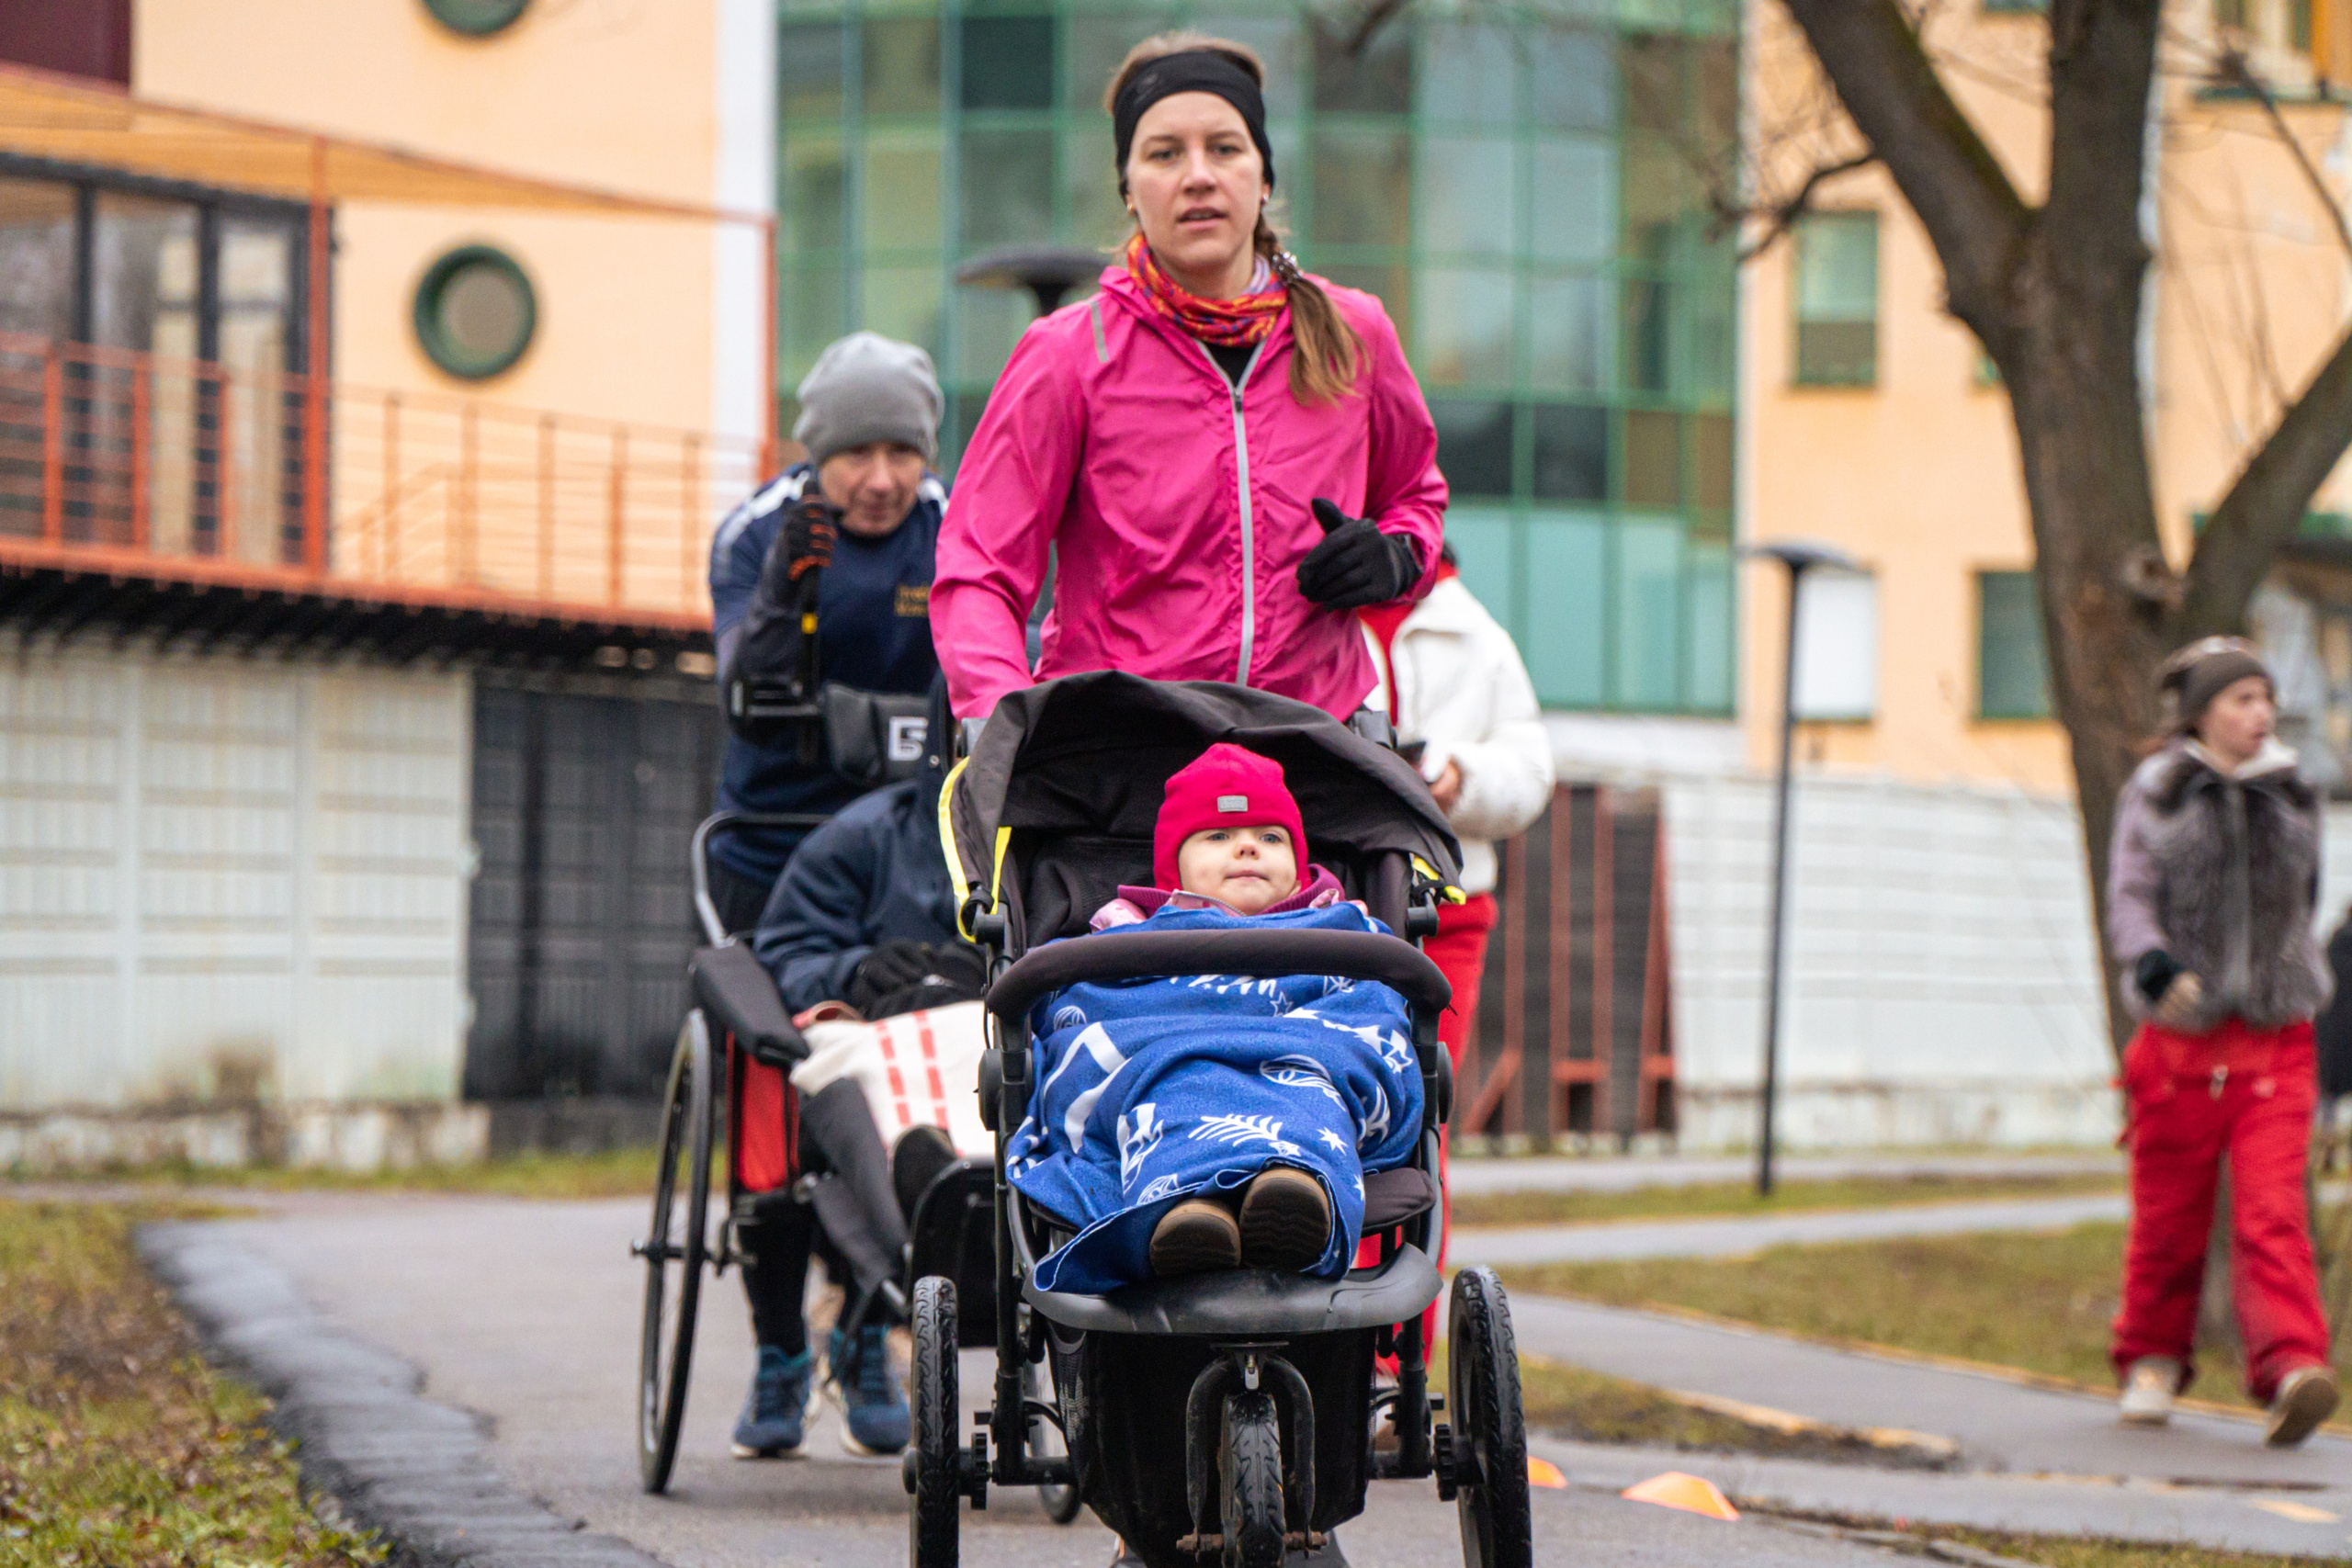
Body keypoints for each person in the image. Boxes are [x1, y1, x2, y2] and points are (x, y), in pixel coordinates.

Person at [932, 32, 1447, 727]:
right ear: (1129, 189)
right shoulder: (1067, 354)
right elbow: (978, 569)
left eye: (1225, 148)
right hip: (1121, 761)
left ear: (1264, 177)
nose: (1197, 175)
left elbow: (1414, 496)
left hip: (1312, 750)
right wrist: (1001, 724)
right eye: (1164, 153)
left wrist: (1391, 558)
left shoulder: (1355, 334)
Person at [1004, 744, 1424, 1294]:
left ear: (1299, 873)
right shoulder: (1121, 943)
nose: (1248, 846)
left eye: (1270, 838)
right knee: (1175, 1090)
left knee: (1309, 1091)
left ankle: (1283, 1199)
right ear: (1170, 872)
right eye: (1218, 837)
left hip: (1306, 1057)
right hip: (1165, 1059)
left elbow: (1374, 1011)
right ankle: (1194, 1214)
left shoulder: (1341, 932)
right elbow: (1080, 1017)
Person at [727, 684, 983, 1461]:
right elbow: (782, 959)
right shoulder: (860, 838)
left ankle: (929, 1234)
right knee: (843, 1083)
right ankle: (817, 1340)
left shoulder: (1044, 845)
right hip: (871, 1046)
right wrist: (861, 969)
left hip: (983, 1043)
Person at [2107, 637, 2339, 1447]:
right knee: (2170, 1217)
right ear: (2203, 713)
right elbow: (2130, 895)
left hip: (2276, 1039)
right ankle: (2152, 1358)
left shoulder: (2292, 791)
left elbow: (2305, 900)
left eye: (2266, 699)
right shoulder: (2159, 790)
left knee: (2273, 1213)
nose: (2261, 713)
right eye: (2242, 699)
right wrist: (2154, 961)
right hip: (2181, 1040)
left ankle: (2293, 1367)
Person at [707, 331, 945, 935]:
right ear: (817, 452)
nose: (883, 480)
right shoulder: (755, 534)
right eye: (857, 453)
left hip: (906, 850)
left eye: (902, 452)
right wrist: (780, 594)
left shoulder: (956, 527)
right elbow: (743, 703)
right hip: (770, 843)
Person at [1359, 543, 1554, 1100]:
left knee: (1422, 1113)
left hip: (1443, 911)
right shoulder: (1301, 609)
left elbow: (1531, 772)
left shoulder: (1475, 633)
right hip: (1321, 906)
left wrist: (1457, 779)